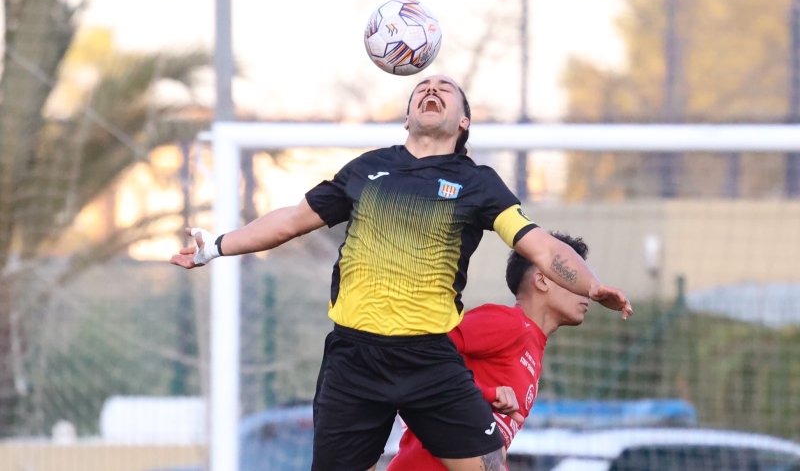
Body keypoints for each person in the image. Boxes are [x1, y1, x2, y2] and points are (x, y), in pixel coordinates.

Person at [170, 75, 632, 471]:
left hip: (429, 358)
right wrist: (215, 246)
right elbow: (291, 220)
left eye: (445, 89)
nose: (432, 89)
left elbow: (538, 243)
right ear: (408, 117)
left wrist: (590, 284)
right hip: (354, 357)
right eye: (422, 89)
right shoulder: (368, 170)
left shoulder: (478, 184)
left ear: (464, 121)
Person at [387, 231, 595, 470]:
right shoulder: (509, 323)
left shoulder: (533, 352)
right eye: (575, 278)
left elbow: (486, 452)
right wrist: (483, 393)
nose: (586, 289)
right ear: (542, 280)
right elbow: (420, 351)